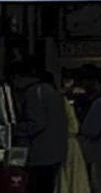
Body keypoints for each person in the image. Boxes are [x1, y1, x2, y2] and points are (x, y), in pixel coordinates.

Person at [12, 62, 68, 193]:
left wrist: (15, 130)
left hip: (40, 154)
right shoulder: (51, 91)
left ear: (19, 77)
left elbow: (36, 123)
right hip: (55, 153)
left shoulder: (33, 93)